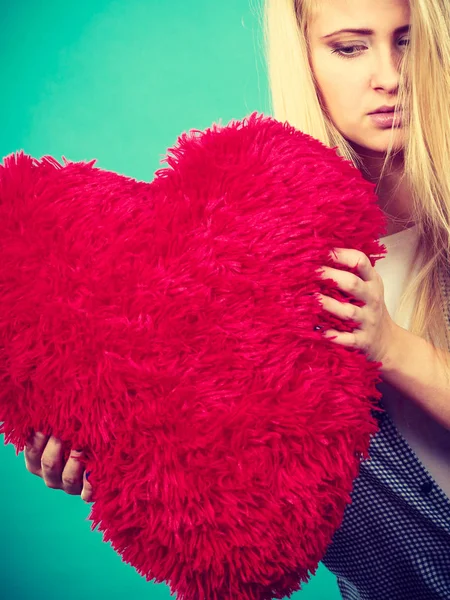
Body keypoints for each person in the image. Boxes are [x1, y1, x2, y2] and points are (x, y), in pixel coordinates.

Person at [24, 0, 450, 597]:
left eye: (406, 40)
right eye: (350, 47)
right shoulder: (249, 245)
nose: (391, 75)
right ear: (302, 55)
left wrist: (392, 346)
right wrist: (112, 445)